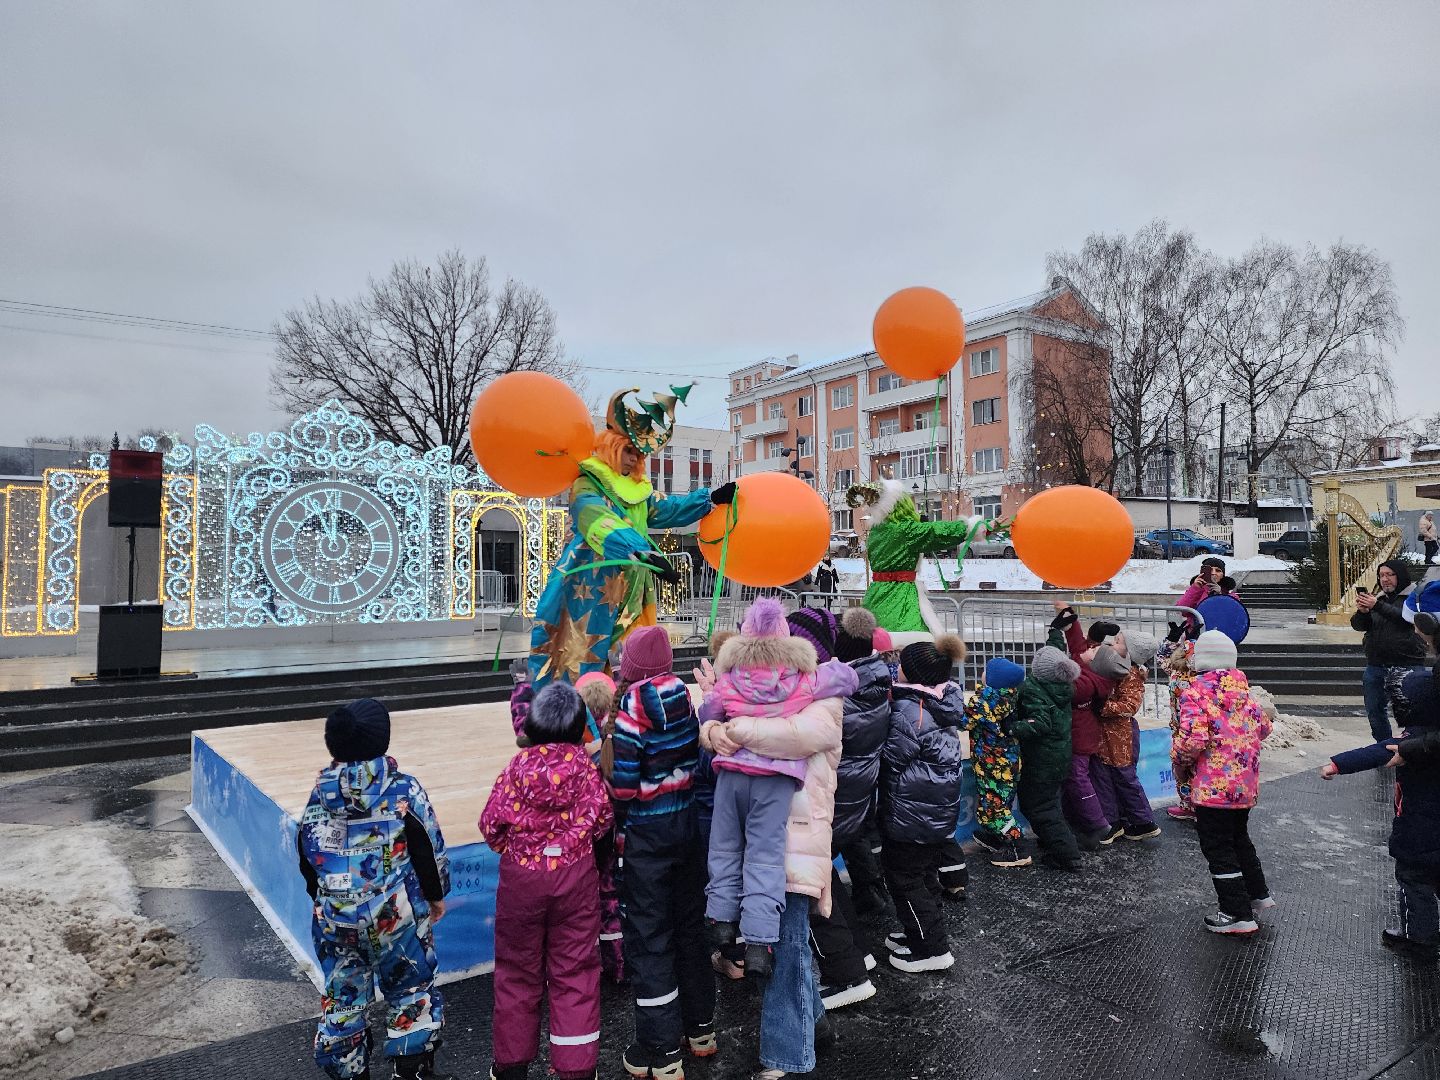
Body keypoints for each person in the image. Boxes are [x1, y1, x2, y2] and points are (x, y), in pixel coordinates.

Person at [697, 613, 845, 1080]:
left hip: (797, 838)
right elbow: (715, 722)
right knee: (792, 946)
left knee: (787, 949)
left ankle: (786, 1056)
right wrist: (710, 728)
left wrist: (729, 731)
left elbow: (796, 737)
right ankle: (812, 1025)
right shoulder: (775, 693)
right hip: (765, 837)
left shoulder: (824, 700)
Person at [528, 385, 734, 689]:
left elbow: (667, 509)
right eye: (628, 451)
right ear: (611, 445)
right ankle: (574, 727)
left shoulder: (637, 493)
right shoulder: (588, 484)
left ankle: (627, 723)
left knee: (635, 666)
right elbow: (596, 518)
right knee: (580, 663)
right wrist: (640, 552)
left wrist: (710, 499)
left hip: (634, 593)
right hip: (592, 589)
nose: (632, 460)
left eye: (637, 455)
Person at [296, 698, 453, 1080]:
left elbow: (306, 852)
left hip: (335, 921)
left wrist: (324, 900)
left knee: (344, 998)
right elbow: (427, 846)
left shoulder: (319, 796)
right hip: (394, 918)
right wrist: (436, 894)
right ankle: (412, 1069)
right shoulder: (403, 790)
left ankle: (348, 1069)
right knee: (410, 988)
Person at [481, 683, 614, 1080]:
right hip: (575, 881)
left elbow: (491, 827)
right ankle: (575, 1070)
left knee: (517, 972)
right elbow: (603, 821)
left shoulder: (516, 769)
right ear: (577, 727)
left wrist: (519, 846)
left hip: (522, 881)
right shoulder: (585, 770)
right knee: (575, 972)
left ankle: (510, 1066)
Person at [607, 625, 716, 1080]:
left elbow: (627, 786)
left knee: (651, 940)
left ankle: (660, 1049)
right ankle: (701, 1031)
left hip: (647, 839)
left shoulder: (631, 710)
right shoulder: (683, 696)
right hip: (686, 828)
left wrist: (610, 777)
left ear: (629, 666)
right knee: (690, 929)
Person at [1321, 647, 1439, 956]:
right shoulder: (1429, 738)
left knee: (1414, 881)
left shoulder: (1410, 742)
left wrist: (1336, 764)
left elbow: (1376, 752)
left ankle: (1420, 940)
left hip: (1418, 829)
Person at [810, 605, 887, 1009]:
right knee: (827, 881)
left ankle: (847, 976)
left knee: (814, 886)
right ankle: (858, 952)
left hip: (833, 802)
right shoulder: (874, 682)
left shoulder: (842, 697)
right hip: (854, 801)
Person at [877, 635, 968, 973]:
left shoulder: (909, 712)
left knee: (904, 879)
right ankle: (921, 933)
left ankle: (932, 949)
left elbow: (891, 760)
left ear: (911, 674)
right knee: (923, 875)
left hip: (911, 814)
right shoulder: (941, 701)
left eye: (900, 665)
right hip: (934, 812)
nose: (894, 668)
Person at [1175, 630, 1274, 935]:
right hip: (1244, 784)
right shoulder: (1243, 691)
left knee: (1218, 846)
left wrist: (1179, 760)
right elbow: (1264, 728)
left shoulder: (1195, 691)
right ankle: (1257, 893)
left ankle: (1235, 913)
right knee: (1238, 838)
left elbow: (1193, 739)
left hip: (1211, 786)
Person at [845, 478, 999, 643]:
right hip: (901, 596)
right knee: (909, 645)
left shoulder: (876, 531)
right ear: (901, 505)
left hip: (876, 594)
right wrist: (976, 527)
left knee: (874, 644)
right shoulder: (904, 531)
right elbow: (938, 532)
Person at [1052, 606, 1126, 848]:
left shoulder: (1088, 682)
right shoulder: (1095, 669)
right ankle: (1083, 820)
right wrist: (1070, 620)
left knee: (1077, 779)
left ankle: (1098, 825)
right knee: (1078, 779)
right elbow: (1078, 647)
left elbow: (1065, 684)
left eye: (1094, 649)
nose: (1089, 648)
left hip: (1079, 737)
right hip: (1083, 735)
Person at [575, 671, 625, 984]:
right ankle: (618, 965)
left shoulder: (575, 759)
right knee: (611, 900)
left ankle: (581, 969)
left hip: (584, 845)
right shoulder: (618, 745)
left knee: (582, 904)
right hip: (614, 839)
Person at [1015, 645, 1083, 871]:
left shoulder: (1034, 689)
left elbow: (1041, 723)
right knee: (1050, 803)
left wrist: (1011, 728)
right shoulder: (1063, 687)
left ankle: (1067, 853)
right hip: (1060, 756)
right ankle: (1052, 840)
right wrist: (1056, 630)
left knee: (1037, 807)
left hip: (1042, 761)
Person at [1093, 632, 1163, 842]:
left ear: (1130, 653)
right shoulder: (1114, 669)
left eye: (1118, 642)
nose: (1112, 644)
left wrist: (1102, 707)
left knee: (1124, 778)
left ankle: (1143, 822)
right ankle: (1114, 822)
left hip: (1120, 737)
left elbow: (1129, 706)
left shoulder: (1130, 675)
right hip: (1105, 735)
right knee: (1103, 778)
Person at [964, 657, 1030, 868]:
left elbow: (963, 721)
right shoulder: (1011, 696)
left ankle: (1017, 847)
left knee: (995, 807)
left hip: (991, 764)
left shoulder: (984, 700)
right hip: (1009, 761)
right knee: (1000, 803)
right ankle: (999, 837)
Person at [1352, 559, 1426, 743]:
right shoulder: (1379, 599)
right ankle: (1384, 747)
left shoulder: (1415, 597)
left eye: (1389, 575)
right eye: (1381, 575)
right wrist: (1363, 612)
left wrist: (1376, 606)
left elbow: (1406, 619)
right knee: (1375, 711)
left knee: (1412, 711)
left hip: (1407, 665)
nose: (1385, 579)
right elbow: (1360, 626)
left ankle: (1412, 748)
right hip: (1376, 665)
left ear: (1400, 576)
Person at [1177, 557, 1227, 633]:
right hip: (1195, 634)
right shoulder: (1196, 590)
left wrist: (1220, 595)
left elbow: (1230, 614)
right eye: (1210, 570)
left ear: (1223, 575)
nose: (1213, 573)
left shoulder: (1230, 595)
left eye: (1218, 570)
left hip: (1220, 634)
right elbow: (1182, 610)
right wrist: (1195, 588)